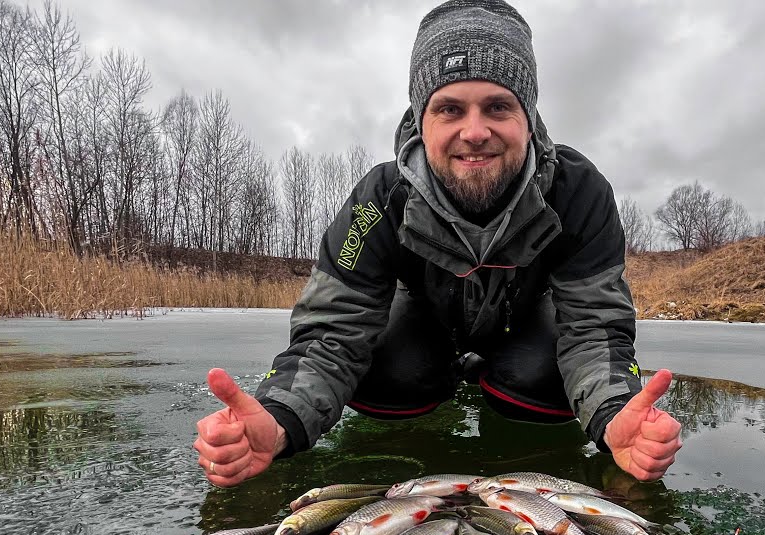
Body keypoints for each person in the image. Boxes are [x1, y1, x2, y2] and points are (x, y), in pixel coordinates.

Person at [194, 0, 682, 486]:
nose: (474, 132)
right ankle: (438, 374)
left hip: (527, 327)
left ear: (528, 118)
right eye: (450, 109)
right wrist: (280, 420)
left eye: (498, 107)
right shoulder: (375, 202)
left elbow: (595, 327)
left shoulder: (581, 192)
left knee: (537, 381)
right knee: (392, 374)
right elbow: (332, 333)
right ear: (420, 120)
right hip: (421, 324)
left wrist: (614, 413)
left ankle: (503, 379)